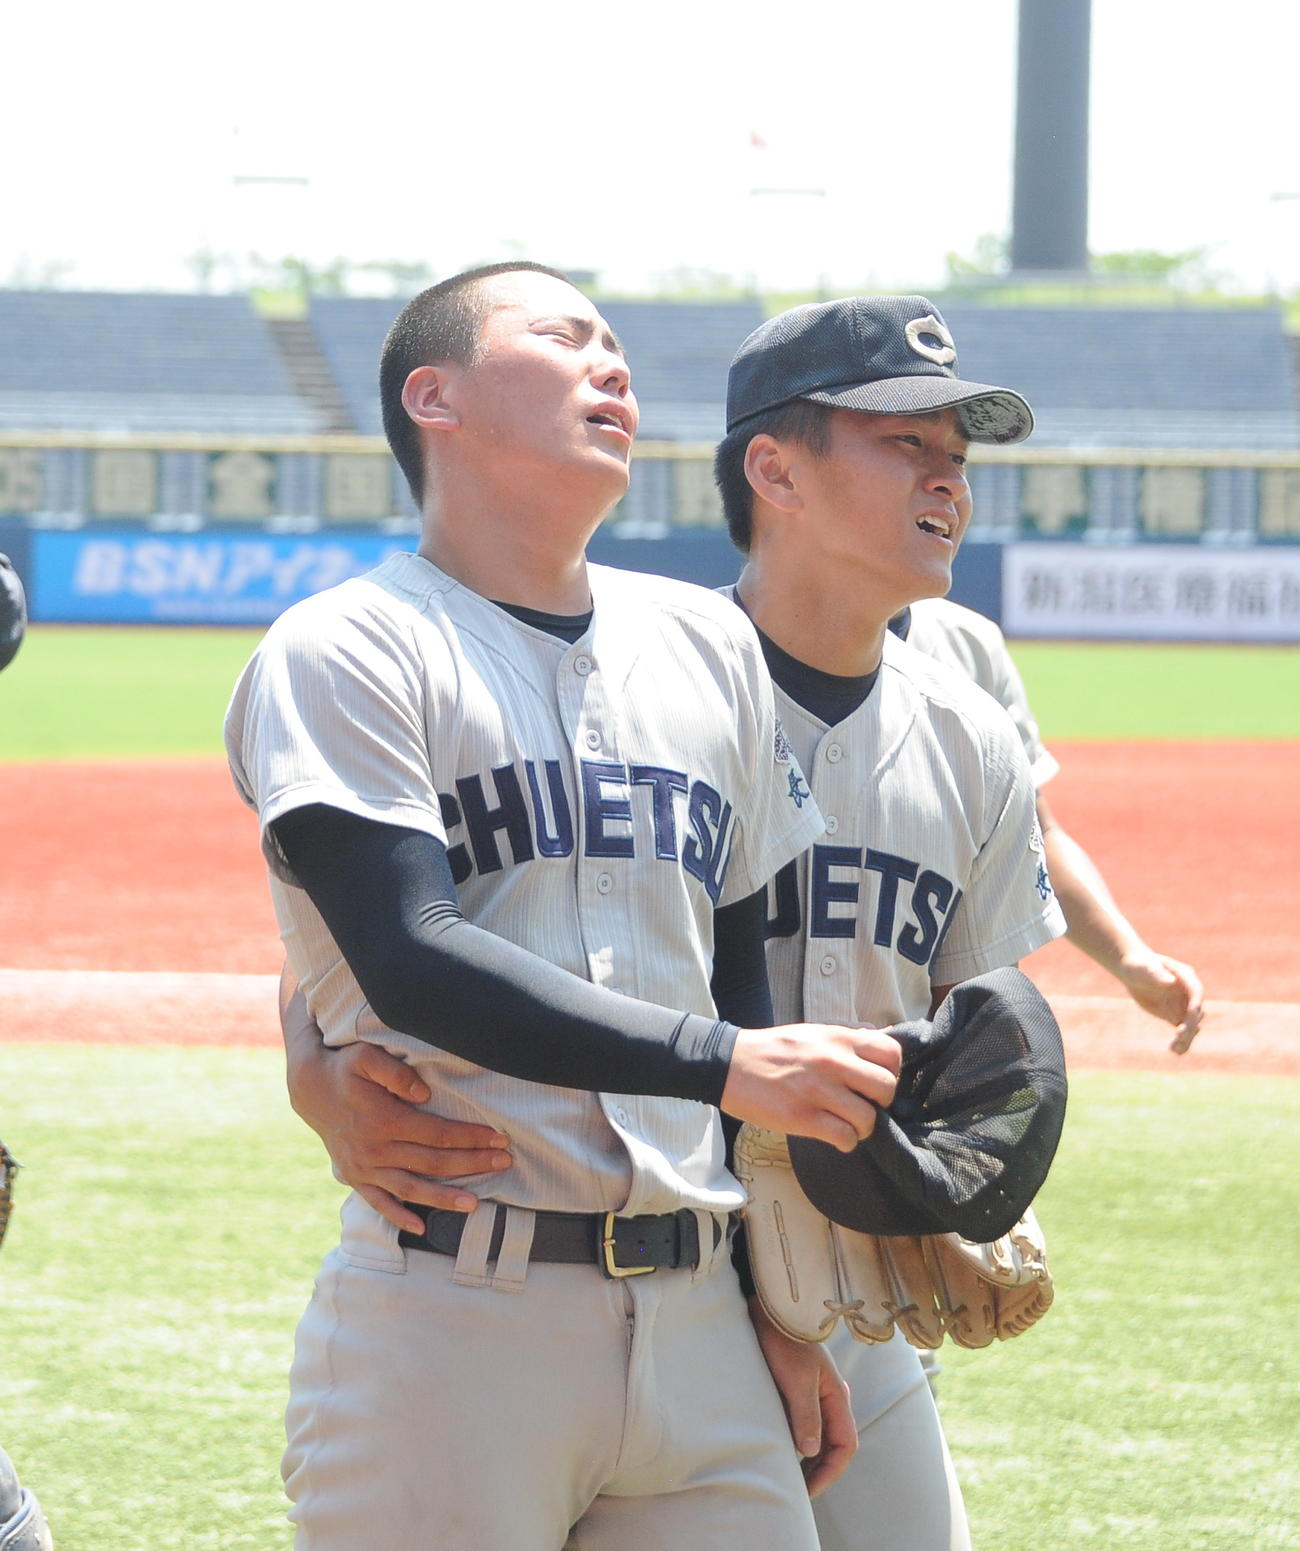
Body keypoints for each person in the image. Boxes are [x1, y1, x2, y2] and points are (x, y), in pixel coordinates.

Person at [283, 294, 1068, 1551]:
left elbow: (948, 1007)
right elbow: (387, 926)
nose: (944, 483)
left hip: (782, 1263)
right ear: (775, 469)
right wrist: (310, 1060)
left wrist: (937, 1188)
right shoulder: (438, 649)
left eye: (955, 456)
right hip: (538, 1261)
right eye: (902, 444)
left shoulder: (942, 726)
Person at [895, 596, 1204, 1052]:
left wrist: (1127, 954)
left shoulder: (970, 644)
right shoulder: (753, 650)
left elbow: (1035, 836)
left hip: (945, 1041)